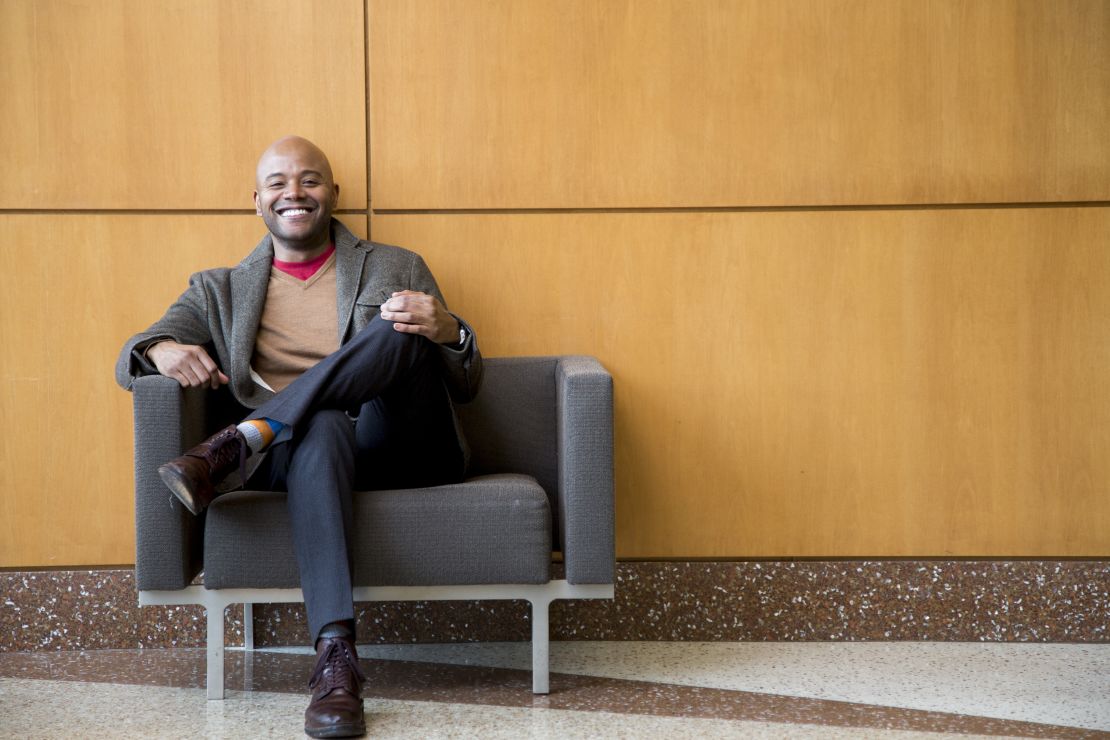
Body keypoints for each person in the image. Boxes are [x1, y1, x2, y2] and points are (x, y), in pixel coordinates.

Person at [115, 135, 482, 738]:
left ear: (333, 194)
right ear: (256, 200)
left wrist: (451, 332)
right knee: (324, 426)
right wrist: (161, 347)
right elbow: (129, 357)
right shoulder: (219, 290)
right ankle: (337, 665)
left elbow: (466, 385)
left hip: (402, 443)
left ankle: (247, 435)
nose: (295, 192)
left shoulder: (395, 265)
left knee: (398, 324)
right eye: (279, 182)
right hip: (309, 457)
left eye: (310, 180)